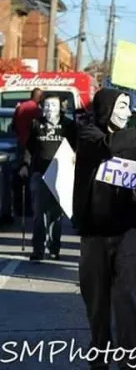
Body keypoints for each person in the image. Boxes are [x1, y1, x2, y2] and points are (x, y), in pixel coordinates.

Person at [73, 88, 136, 370]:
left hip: (128, 230)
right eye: (122, 106)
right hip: (94, 234)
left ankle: (131, 363)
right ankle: (100, 357)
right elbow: (109, 146)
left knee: (129, 298)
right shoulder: (89, 134)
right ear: (106, 108)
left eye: (129, 107)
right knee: (97, 300)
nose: (127, 113)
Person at [20, 94, 77, 261]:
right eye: (46, 105)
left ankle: (54, 247)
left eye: (53, 105)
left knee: (55, 215)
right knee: (39, 213)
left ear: (60, 107)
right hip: (39, 173)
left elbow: (76, 147)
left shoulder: (69, 125)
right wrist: (24, 165)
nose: (49, 109)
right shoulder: (36, 124)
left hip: (60, 175)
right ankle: (38, 249)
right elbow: (29, 148)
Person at [11, 88, 43, 219]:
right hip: (31, 147)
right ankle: (28, 208)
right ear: (39, 97)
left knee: (19, 178)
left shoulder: (20, 107)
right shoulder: (36, 110)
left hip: (20, 144)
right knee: (29, 178)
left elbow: (13, 126)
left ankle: (19, 207)